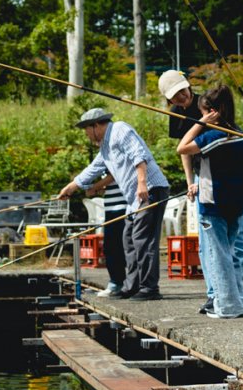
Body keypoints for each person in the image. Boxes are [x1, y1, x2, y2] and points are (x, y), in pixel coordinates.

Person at [59, 107, 171, 301]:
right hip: (134, 199)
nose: (86, 134)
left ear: (95, 126)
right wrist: (71, 187)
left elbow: (139, 154)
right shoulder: (105, 147)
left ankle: (149, 287)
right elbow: (93, 169)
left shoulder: (119, 130)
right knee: (127, 239)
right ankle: (132, 286)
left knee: (142, 239)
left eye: (86, 130)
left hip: (150, 189)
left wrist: (142, 183)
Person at [177, 82, 243, 319]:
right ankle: (240, 302)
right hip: (236, 204)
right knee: (230, 253)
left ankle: (227, 306)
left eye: (204, 112)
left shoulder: (214, 136)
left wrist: (200, 124)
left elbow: (181, 148)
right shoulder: (239, 133)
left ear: (214, 111)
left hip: (214, 205)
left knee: (218, 256)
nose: (202, 116)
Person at [159, 69, 204, 240]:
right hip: (199, 169)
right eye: (175, 95)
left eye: (182, 90)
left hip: (219, 165)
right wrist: (190, 181)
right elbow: (184, 151)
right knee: (204, 222)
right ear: (169, 99)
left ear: (189, 86)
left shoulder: (205, 103)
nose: (181, 96)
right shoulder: (175, 112)